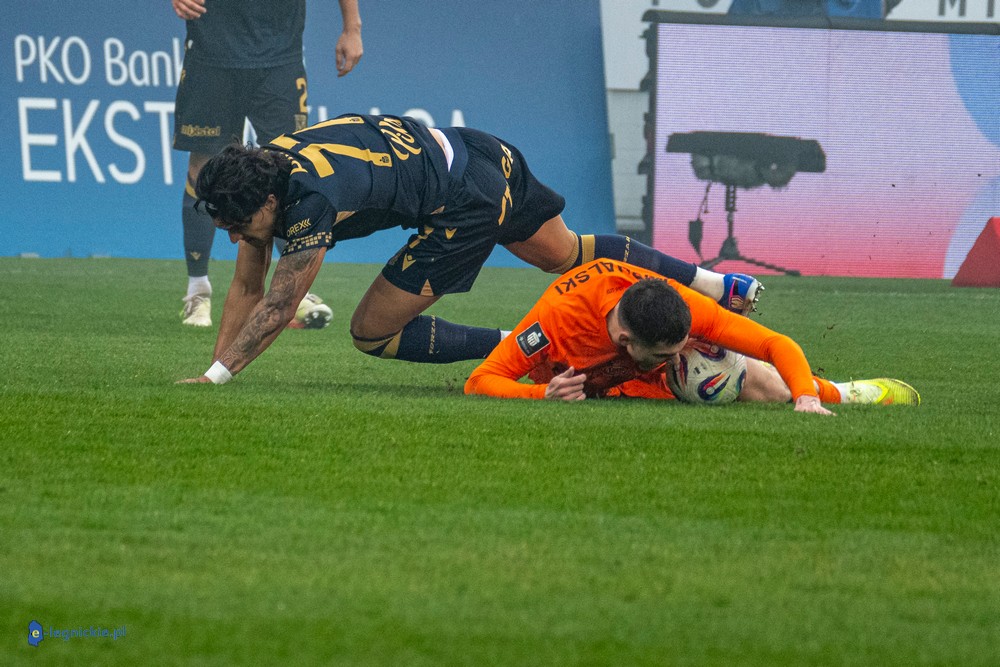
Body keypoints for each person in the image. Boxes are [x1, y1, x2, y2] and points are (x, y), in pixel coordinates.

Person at [179, 113, 761, 385]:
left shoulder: (309, 201)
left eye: (239, 225)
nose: (234, 237)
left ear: (269, 201)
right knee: (567, 253)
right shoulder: (269, 167)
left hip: (463, 205)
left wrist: (216, 379)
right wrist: (215, 371)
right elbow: (247, 282)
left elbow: (277, 304)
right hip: (481, 150)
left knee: (371, 333)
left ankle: (520, 347)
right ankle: (716, 284)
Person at [464, 259, 920, 414]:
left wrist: (804, 396)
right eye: (665, 354)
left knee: (756, 379)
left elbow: (775, 344)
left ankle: (845, 392)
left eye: (678, 345)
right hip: (581, 386)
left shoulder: (678, 305)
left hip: (637, 379)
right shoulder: (554, 323)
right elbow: (480, 381)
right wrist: (542, 395)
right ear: (625, 340)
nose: (677, 355)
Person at [170, 0, 363, 327]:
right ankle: (197, 292)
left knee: (290, 169)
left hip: (280, 54)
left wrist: (352, 27)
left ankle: (294, 291)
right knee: (202, 168)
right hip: (212, 50)